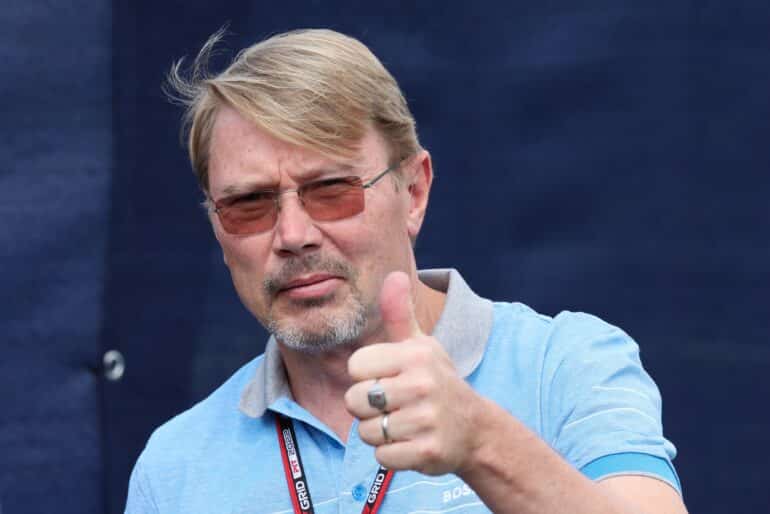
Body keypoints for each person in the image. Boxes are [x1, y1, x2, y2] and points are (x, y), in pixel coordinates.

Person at [126, 28, 687, 514]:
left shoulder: (565, 364)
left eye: (331, 191)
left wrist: (481, 441)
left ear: (413, 191)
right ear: (218, 229)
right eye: (249, 204)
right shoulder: (174, 466)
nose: (293, 235)